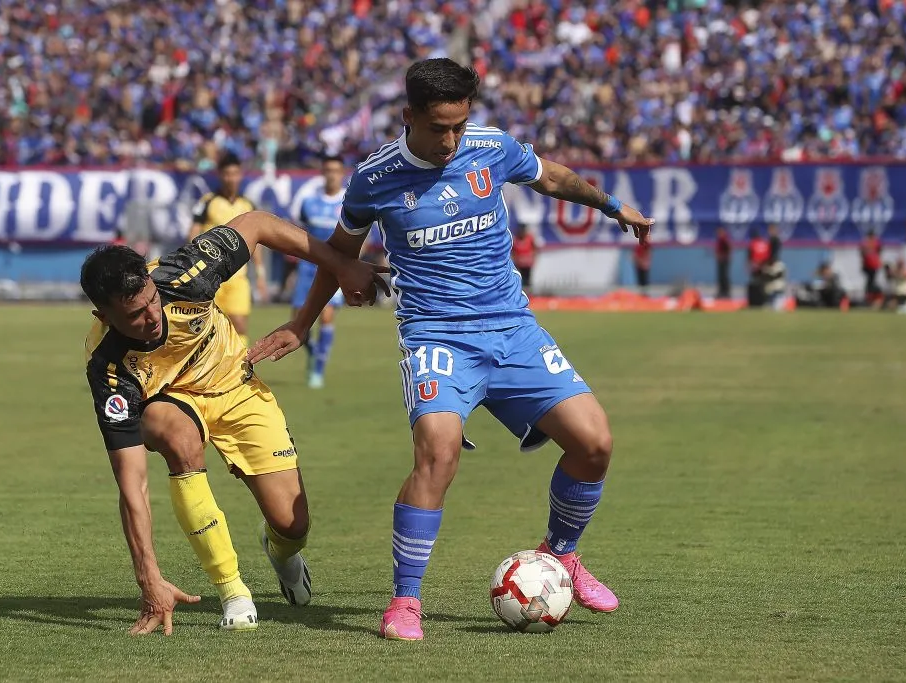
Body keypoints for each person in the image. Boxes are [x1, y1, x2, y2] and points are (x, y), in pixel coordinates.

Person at [249, 58, 654, 641]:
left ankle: (561, 555)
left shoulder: (491, 147)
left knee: (595, 443)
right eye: (439, 128)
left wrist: (612, 206)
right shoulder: (374, 177)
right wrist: (303, 322)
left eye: (459, 127)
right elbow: (340, 252)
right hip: (436, 336)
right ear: (410, 115)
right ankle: (405, 601)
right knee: (437, 451)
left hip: (513, 327)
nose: (450, 141)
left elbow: (552, 178)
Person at [82, 210, 387, 635]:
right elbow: (132, 483)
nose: (152, 316)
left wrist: (341, 264)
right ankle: (233, 590)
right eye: (134, 314)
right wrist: (148, 578)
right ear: (104, 316)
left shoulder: (186, 274)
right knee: (174, 432)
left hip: (237, 384)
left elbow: (258, 223)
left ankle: (281, 552)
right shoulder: (108, 368)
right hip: (175, 402)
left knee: (292, 524)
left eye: (152, 300)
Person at [188, 154, 269, 340]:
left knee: (239, 324)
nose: (230, 178)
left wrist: (260, 275)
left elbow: (256, 242)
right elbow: (193, 233)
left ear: (240, 175)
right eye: (226, 174)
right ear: (220, 175)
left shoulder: (248, 205)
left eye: (234, 174)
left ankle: (240, 369)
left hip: (237, 276)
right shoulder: (207, 201)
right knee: (208, 329)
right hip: (210, 276)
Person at [293, 155, 348, 389]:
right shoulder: (309, 202)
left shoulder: (347, 201)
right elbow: (302, 232)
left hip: (332, 267)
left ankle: (318, 370)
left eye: (335, 170)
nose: (331, 174)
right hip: (308, 267)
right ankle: (315, 353)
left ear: (342, 173)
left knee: (325, 316)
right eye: (327, 170)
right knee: (298, 322)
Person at [511, 224, 538, 294]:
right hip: (519, 264)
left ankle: (529, 295)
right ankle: (520, 294)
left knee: (528, 280)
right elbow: (512, 251)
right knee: (519, 279)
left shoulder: (530, 238)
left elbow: (535, 249)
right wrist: (516, 259)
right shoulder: (515, 239)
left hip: (528, 264)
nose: (522, 232)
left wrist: (533, 258)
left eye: (523, 230)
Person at [860, 230, 882, 304]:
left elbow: (879, 251)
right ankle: (870, 297)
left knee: (871, 282)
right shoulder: (866, 243)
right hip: (868, 265)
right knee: (870, 282)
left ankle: (872, 296)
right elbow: (862, 253)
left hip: (874, 265)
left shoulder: (875, 243)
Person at [714, 227, 731, 299]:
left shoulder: (724, 239)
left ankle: (725, 292)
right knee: (721, 276)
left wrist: (723, 256)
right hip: (722, 260)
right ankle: (722, 291)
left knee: (723, 276)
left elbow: (729, 248)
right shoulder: (721, 239)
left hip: (723, 260)